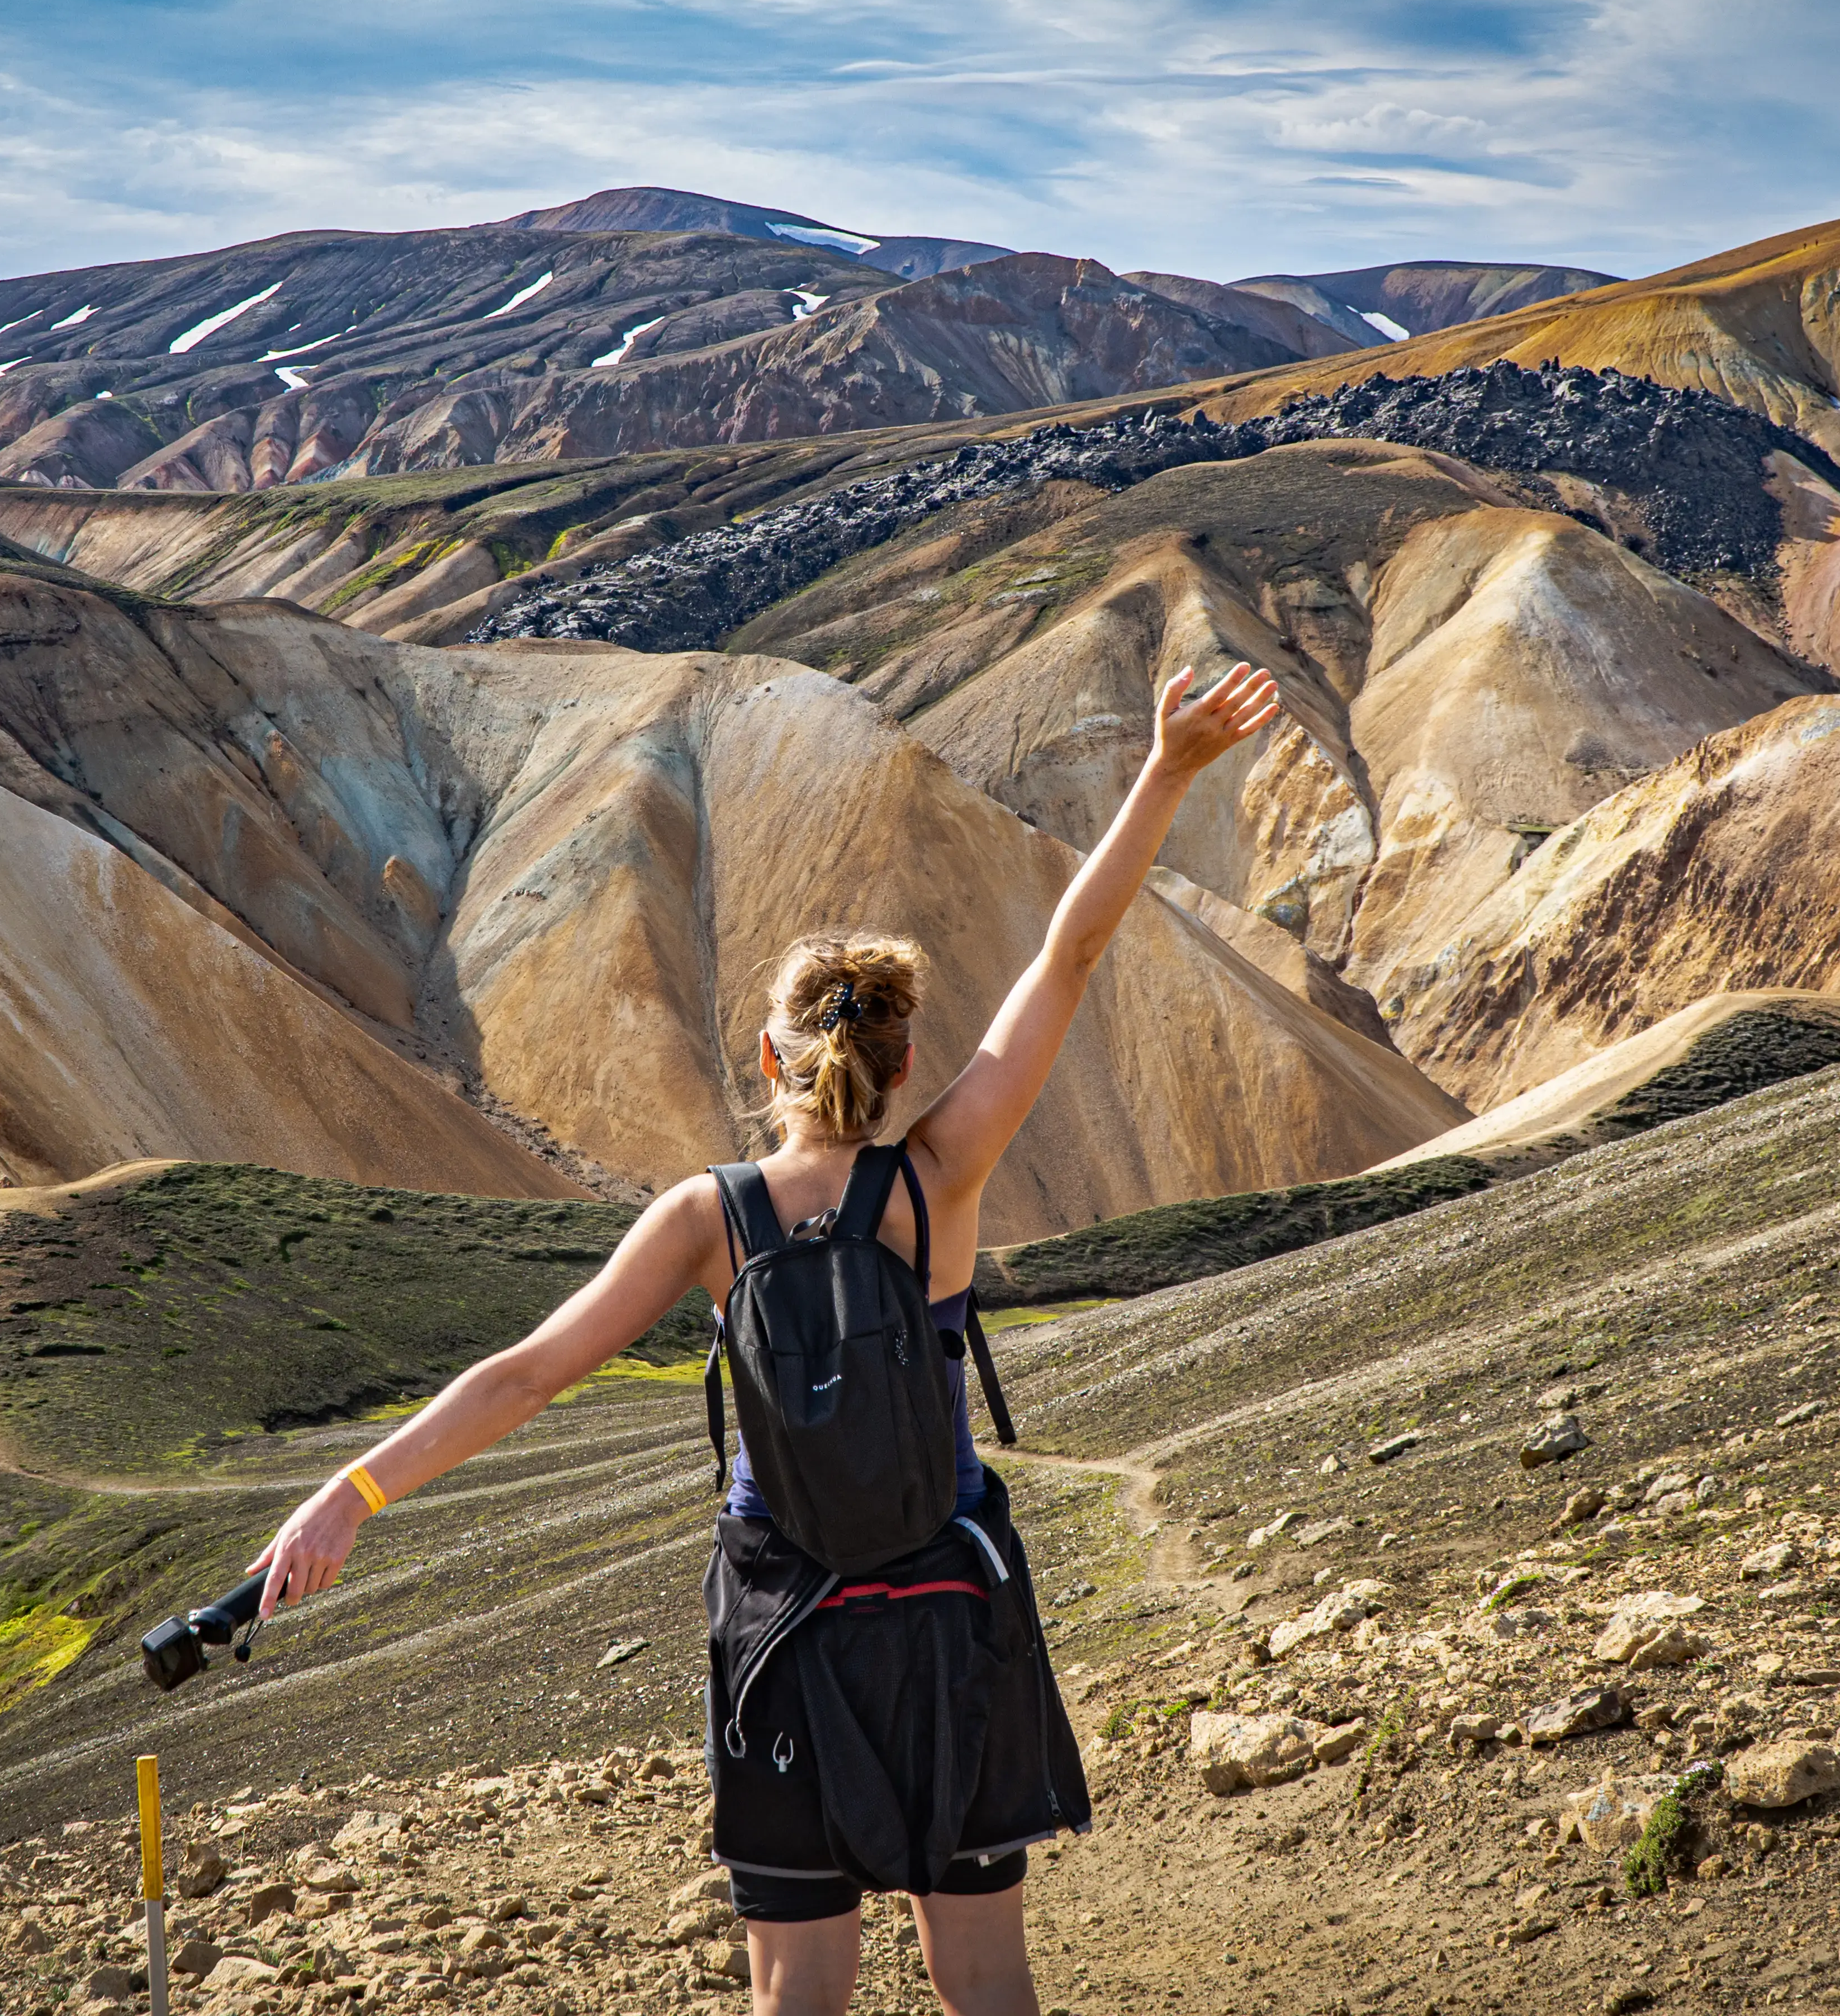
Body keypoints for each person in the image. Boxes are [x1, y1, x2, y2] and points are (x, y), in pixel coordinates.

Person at [249, 661, 1287, 2016]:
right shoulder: (940, 1180)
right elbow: (1070, 954)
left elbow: (526, 1373)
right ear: (905, 1062)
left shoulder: (708, 1221)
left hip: (784, 1625)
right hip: (946, 1615)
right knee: (986, 1978)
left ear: (765, 1057)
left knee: (798, 1990)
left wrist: (352, 1490)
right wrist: (1168, 768)